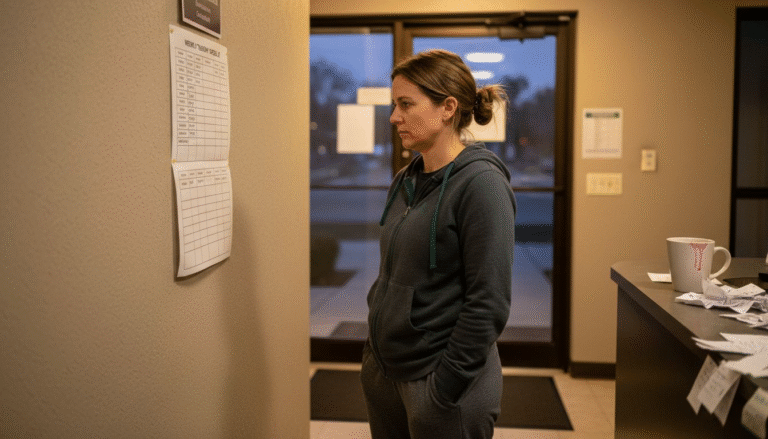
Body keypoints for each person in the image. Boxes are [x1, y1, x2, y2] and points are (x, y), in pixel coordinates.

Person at [360, 49, 517, 439]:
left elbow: (489, 301)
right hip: (386, 370)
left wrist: (445, 387)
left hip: (440, 383)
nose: (394, 117)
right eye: (394, 104)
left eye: (405, 104)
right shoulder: (405, 180)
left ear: (448, 108)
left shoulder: (481, 184)